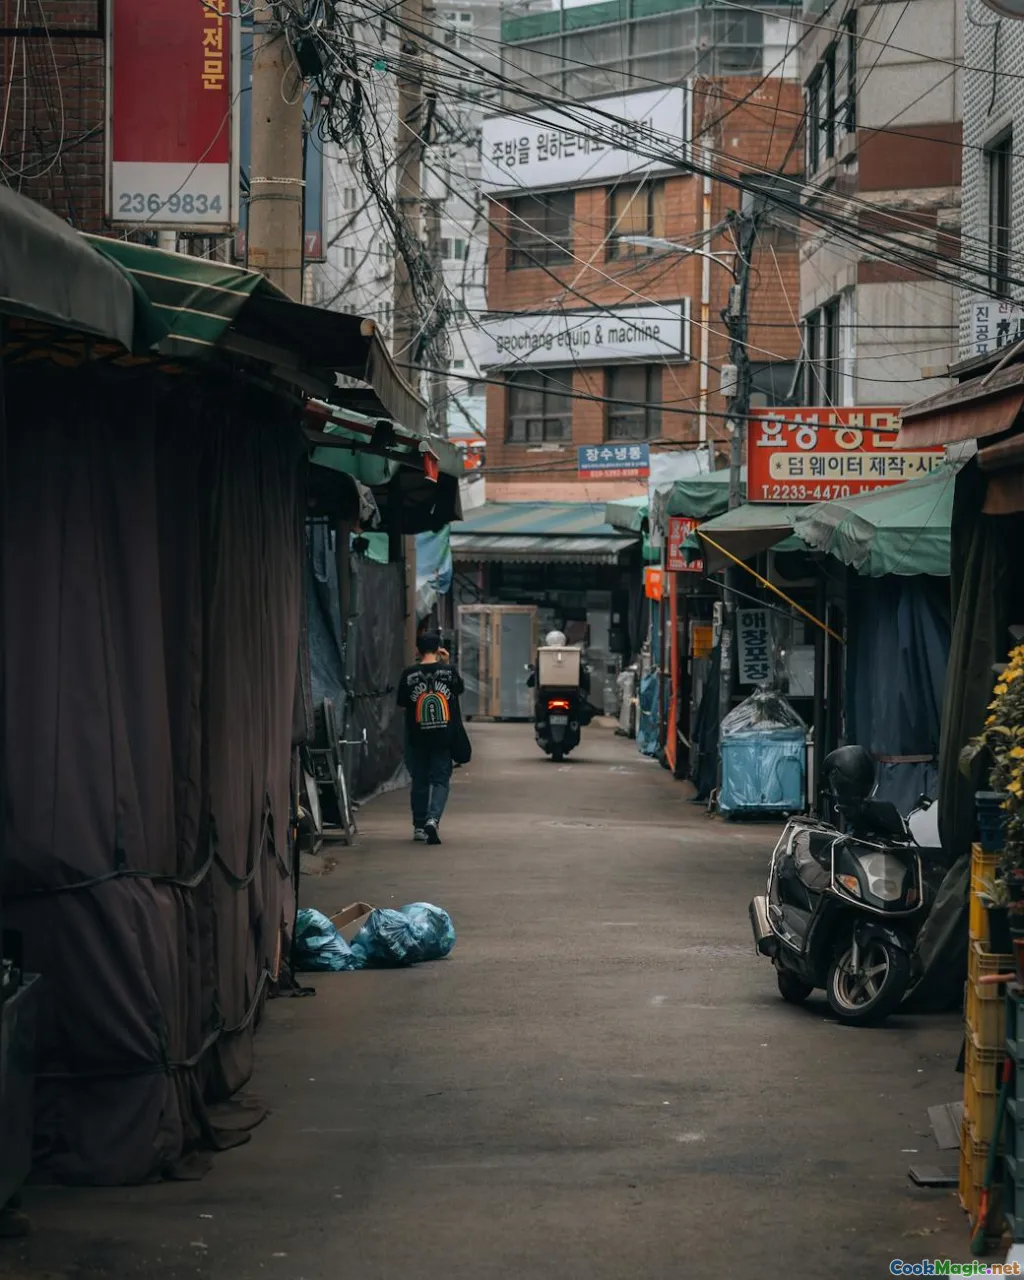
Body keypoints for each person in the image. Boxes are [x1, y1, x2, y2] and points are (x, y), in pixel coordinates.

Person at [396, 631, 464, 845]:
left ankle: (418, 826)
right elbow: (459, 689)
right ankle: (432, 820)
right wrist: (447, 663)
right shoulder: (448, 672)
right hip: (443, 736)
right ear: (438, 649)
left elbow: (401, 702)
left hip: (417, 736)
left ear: (417, 650)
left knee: (420, 780)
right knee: (441, 780)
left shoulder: (408, 674)